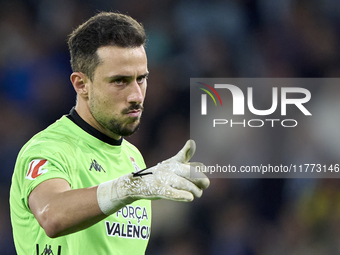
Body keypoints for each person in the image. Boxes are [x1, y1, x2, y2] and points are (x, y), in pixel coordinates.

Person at [9, 11, 209, 255]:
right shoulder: (49, 148)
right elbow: (52, 215)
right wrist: (132, 186)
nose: (136, 95)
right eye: (119, 81)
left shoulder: (133, 158)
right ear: (81, 84)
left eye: (141, 79)